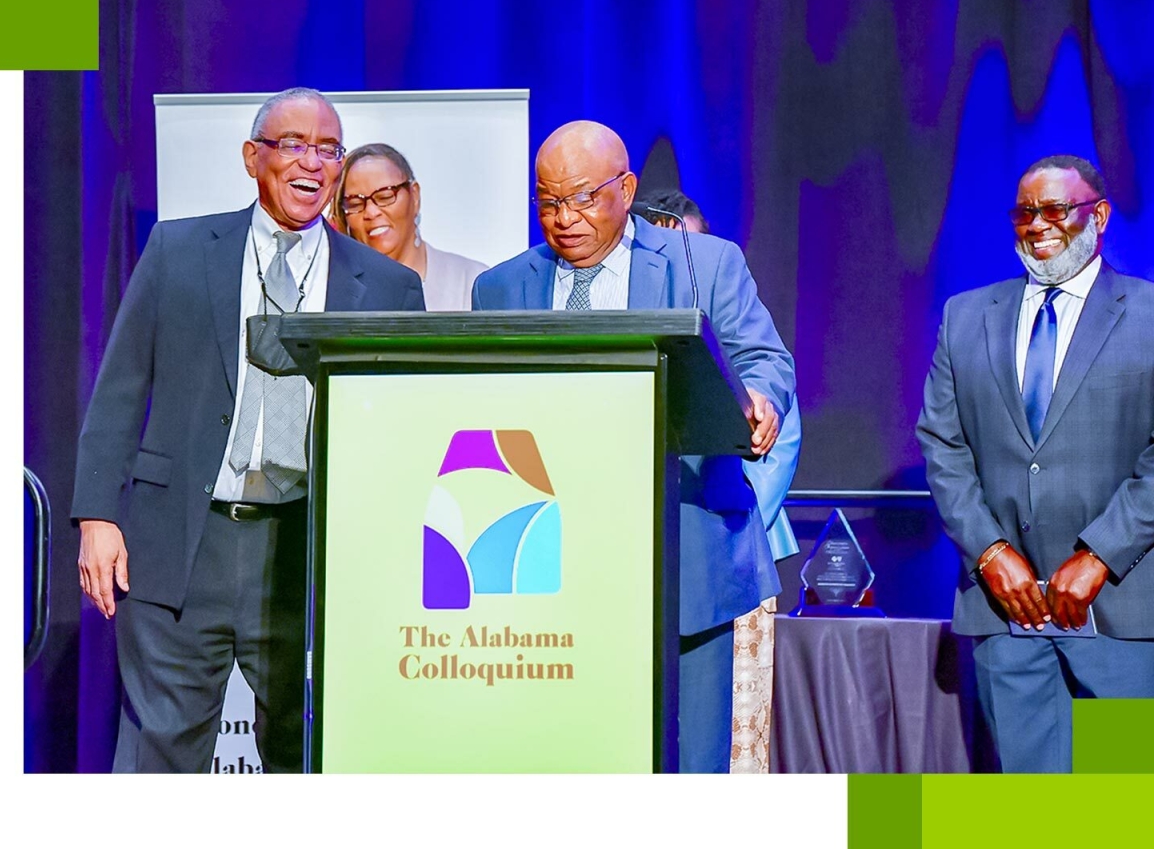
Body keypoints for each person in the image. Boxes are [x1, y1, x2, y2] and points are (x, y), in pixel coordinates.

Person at [71, 87, 425, 773]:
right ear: (252, 157)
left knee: (310, 757)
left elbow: (398, 435)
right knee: (158, 758)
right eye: (294, 144)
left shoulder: (383, 286)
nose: (313, 163)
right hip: (180, 540)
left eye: (328, 150)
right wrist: (96, 516)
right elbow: (119, 389)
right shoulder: (178, 250)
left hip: (306, 550)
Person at [472, 121, 795, 772]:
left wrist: (760, 400)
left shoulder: (704, 264)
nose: (564, 219)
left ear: (625, 189)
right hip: (549, 557)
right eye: (549, 202)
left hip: (686, 548)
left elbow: (763, 360)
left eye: (584, 198)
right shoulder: (501, 288)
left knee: (687, 766)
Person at [917, 154, 1154, 773]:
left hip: (1121, 612)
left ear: (1098, 216)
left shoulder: (1150, 314)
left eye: (1056, 210)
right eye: (1025, 211)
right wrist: (991, 554)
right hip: (1006, 611)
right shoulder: (966, 316)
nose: (1038, 224)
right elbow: (943, 446)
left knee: (1118, 809)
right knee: (1032, 811)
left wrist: (1101, 554)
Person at [636, 187, 802, 773]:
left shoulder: (736, 342)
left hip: (723, 553)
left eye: (688, 241)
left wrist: (725, 508)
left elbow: (770, 454)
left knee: (722, 745)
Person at [331, 143, 488, 311]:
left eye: (385, 196)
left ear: (414, 195)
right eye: (355, 203)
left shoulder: (471, 282)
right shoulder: (336, 292)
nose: (371, 212)